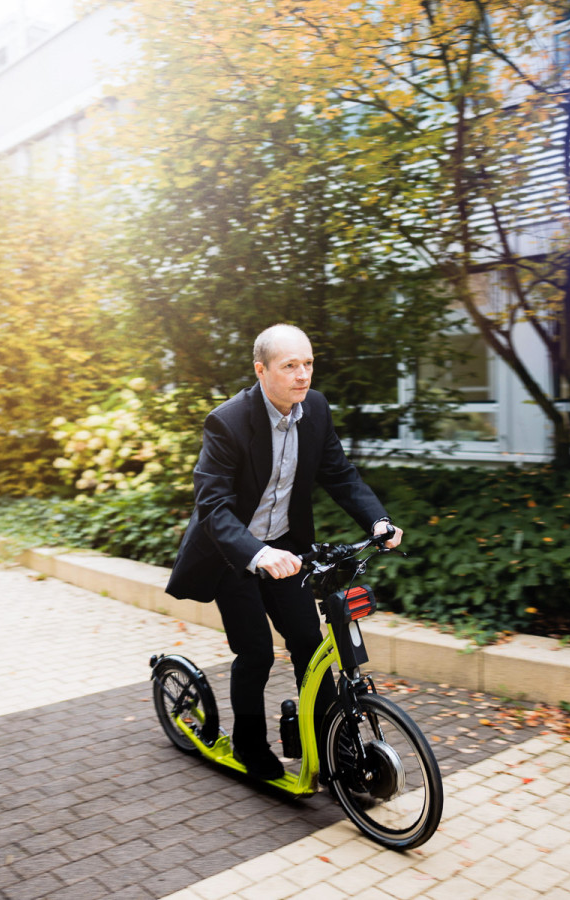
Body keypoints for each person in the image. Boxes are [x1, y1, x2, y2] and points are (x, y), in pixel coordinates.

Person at [165, 324, 403, 781]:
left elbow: (340, 473)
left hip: (288, 553)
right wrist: (257, 552)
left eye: (308, 363)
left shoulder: (313, 408)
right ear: (261, 370)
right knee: (254, 653)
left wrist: (377, 520)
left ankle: (337, 753)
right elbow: (212, 507)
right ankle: (251, 748)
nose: (302, 375)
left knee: (310, 648)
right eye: (289, 365)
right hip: (234, 555)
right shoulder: (228, 421)